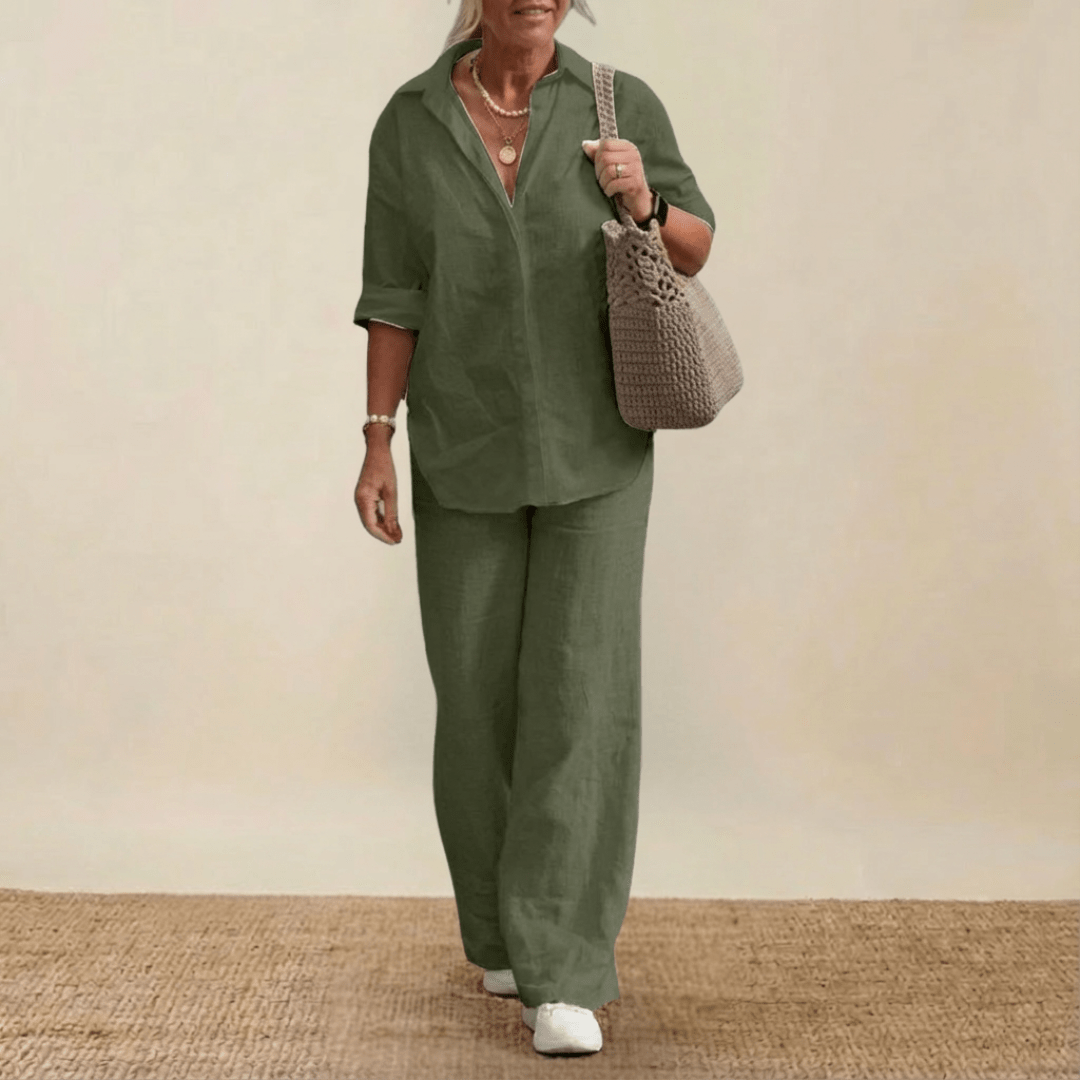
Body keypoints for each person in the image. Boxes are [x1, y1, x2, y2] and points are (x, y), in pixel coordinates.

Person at [352, 0, 715, 1057]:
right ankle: (503, 929)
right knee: (474, 702)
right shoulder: (411, 121)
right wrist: (377, 438)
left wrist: (643, 198)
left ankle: (564, 966)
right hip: (462, 444)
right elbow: (394, 292)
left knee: (578, 697)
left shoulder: (618, 103)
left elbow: (694, 245)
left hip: (598, 446)